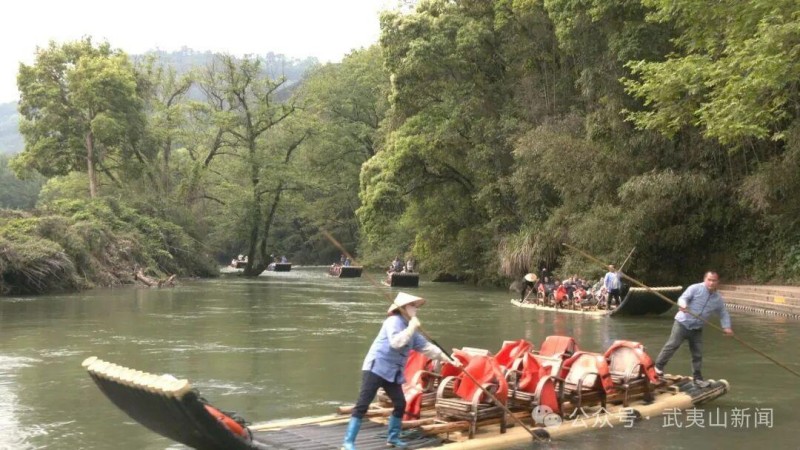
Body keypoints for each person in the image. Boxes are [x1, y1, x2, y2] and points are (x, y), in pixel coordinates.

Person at [341, 293, 461, 449]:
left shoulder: (413, 331)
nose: (416, 309)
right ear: (404, 308)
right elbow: (396, 342)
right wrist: (411, 327)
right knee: (362, 405)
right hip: (376, 368)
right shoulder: (393, 321)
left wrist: (451, 359)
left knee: (400, 403)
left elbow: (430, 349)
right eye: (413, 306)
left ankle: (393, 438)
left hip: (393, 372)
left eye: (416, 306)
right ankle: (348, 442)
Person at [653, 271, 733, 386]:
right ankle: (658, 368)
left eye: (714, 280)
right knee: (672, 345)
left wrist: (727, 327)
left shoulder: (717, 298)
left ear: (717, 282)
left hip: (697, 328)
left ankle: (697, 378)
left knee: (697, 354)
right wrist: (683, 305)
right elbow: (683, 298)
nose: (711, 283)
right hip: (682, 323)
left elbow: (723, 313)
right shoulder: (695, 288)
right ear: (705, 279)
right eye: (709, 280)